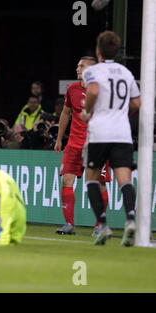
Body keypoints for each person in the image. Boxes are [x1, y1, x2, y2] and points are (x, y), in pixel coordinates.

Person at [81, 31, 140, 246]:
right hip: (122, 133)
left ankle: (103, 225)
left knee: (92, 178)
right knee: (124, 179)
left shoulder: (93, 71)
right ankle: (131, 219)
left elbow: (94, 91)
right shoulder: (126, 72)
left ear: (98, 51)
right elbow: (136, 104)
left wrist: (87, 112)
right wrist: (120, 111)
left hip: (100, 132)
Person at [54, 56, 112, 236]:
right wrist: (59, 138)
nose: (77, 68)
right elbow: (65, 113)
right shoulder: (72, 89)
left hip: (97, 144)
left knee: (98, 184)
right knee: (66, 180)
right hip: (73, 143)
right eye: (77, 65)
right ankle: (69, 224)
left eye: (81, 66)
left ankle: (98, 225)